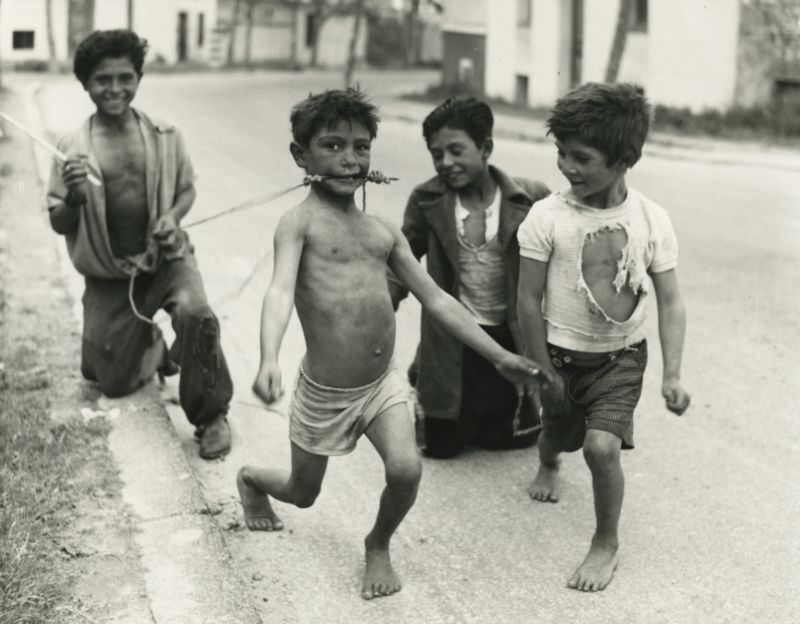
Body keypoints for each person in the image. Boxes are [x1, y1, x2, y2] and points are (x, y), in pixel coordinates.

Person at [235, 89, 546, 600]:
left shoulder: (382, 234)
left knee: (406, 468)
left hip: (382, 386)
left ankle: (377, 543)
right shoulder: (298, 224)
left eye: (360, 147)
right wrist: (269, 356)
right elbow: (279, 291)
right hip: (325, 394)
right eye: (333, 146)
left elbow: (440, 301)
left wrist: (502, 356)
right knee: (303, 492)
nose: (349, 159)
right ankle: (251, 479)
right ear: (301, 157)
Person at [516, 83, 691, 592]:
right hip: (559, 359)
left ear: (623, 159)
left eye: (581, 158)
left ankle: (605, 543)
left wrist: (673, 374)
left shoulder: (651, 220)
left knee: (599, 448)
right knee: (558, 433)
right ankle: (547, 461)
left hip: (620, 360)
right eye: (561, 154)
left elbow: (671, 300)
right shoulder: (546, 216)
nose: (567, 167)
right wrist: (540, 368)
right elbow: (528, 301)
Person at [46, 30, 233, 459]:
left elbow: (186, 191)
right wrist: (73, 196)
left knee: (196, 313)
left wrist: (171, 217)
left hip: (167, 260)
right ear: (85, 84)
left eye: (125, 77)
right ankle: (151, 345)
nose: (114, 89)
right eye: (102, 80)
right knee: (106, 380)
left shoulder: (166, 134)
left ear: (139, 77)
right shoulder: (71, 149)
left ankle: (211, 416)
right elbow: (59, 222)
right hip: (111, 275)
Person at [389, 96, 550, 458]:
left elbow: (564, 262)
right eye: (437, 154)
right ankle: (425, 378)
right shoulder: (426, 201)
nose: (446, 162)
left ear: (486, 147)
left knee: (508, 439)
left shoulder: (530, 199)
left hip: (510, 339)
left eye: (456, 150)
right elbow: (401, 265)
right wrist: (378, 309)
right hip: (453, 340)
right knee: (442, 447)